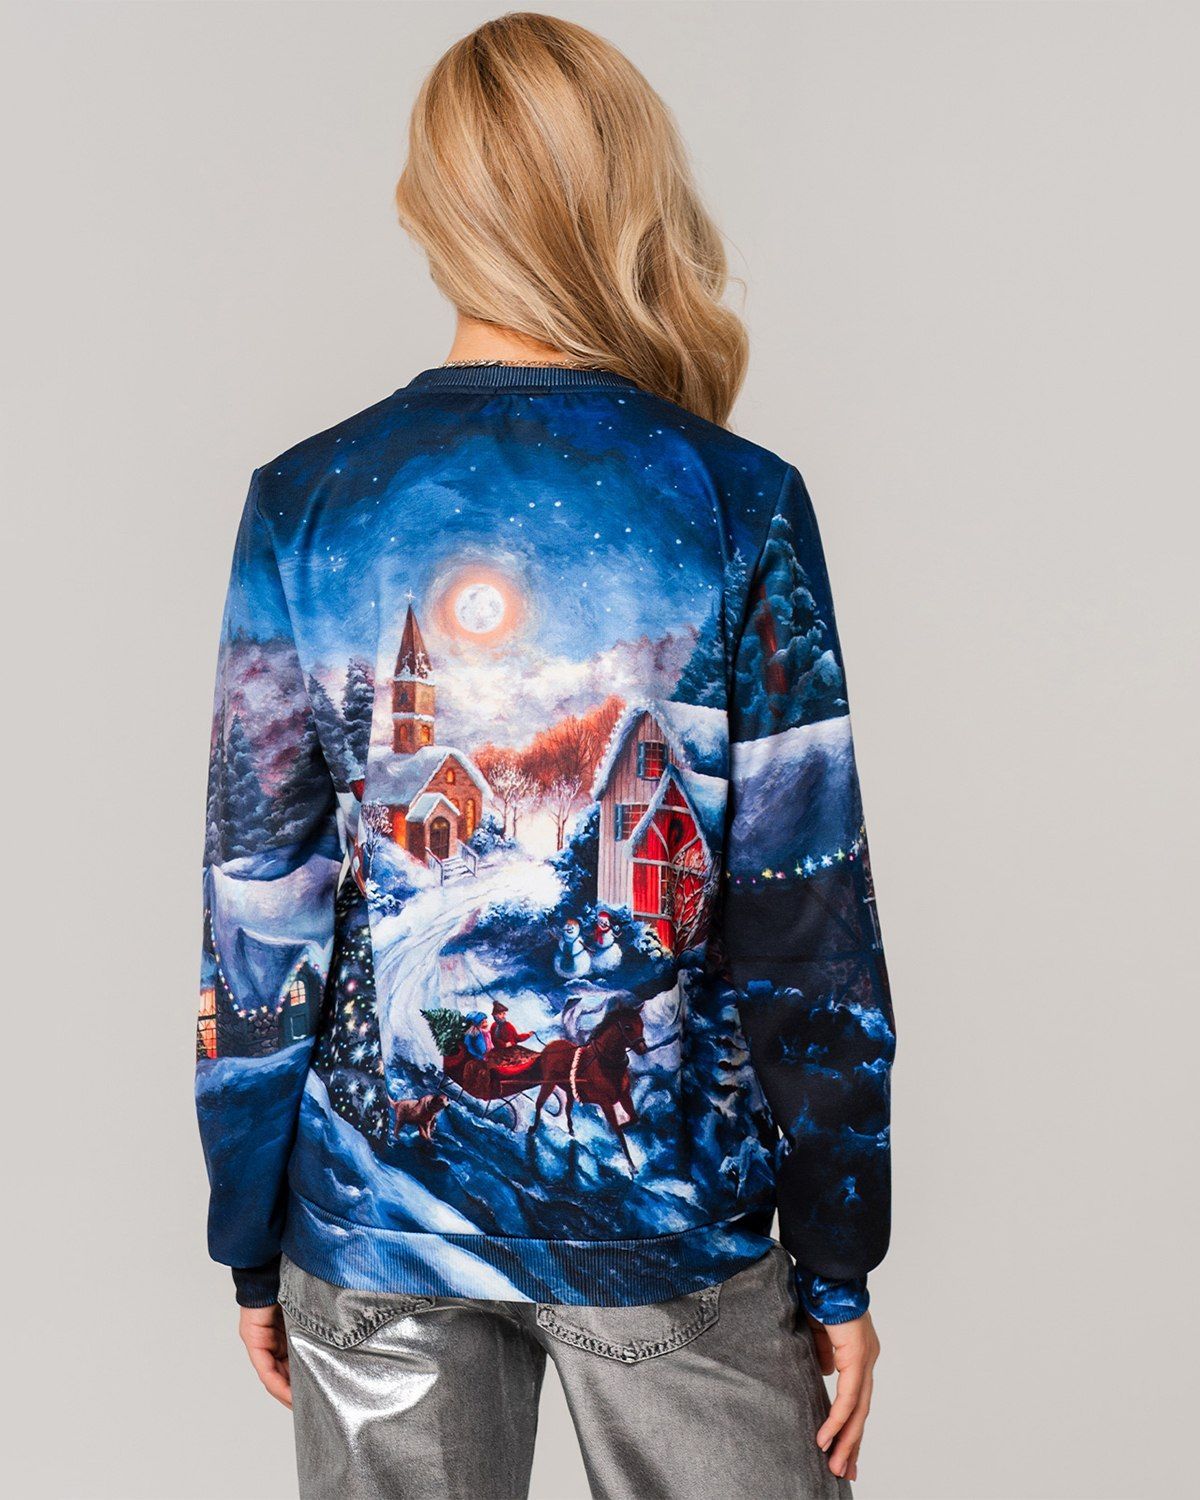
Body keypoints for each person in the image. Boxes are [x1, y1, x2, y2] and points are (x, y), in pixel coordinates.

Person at [196, 14, 894, 1498]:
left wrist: (249, 1223)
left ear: (430, 208)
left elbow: (259, 910)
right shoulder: (734, 498)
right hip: (671, 1225)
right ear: (632, 197)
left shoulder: (305, 505)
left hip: (370, 1240)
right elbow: (808, 918)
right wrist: (838, 1254)